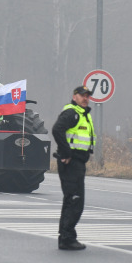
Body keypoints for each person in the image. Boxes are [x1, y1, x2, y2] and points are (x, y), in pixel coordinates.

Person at [51, 85, 95, 251]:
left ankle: (66, 237)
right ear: (74, 96)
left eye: (87, 96)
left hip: (77, 163)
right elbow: (57, 130)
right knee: (75, 200)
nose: (85, 98)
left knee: (72, 200)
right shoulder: (72, 113)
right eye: (82, 95)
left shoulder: (82, 114)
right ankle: (67, 238)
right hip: (71, 163)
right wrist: (66, 152)